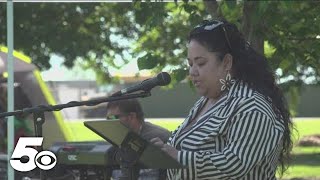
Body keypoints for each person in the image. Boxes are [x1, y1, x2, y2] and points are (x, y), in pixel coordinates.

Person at [151, 19, 293, 179]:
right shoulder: (207, 101)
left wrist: (178, 157)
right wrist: (162, 149)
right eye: (190, 64)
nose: (192, 72)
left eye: (201, 63)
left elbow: (236, 163)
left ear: (226, 62)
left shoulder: (251, 106)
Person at [106, 98, 171, 180]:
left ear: (132, 116)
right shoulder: (120, 138)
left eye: (113, 118)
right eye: (108, 119)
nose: (109, 123)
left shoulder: (158, 137)